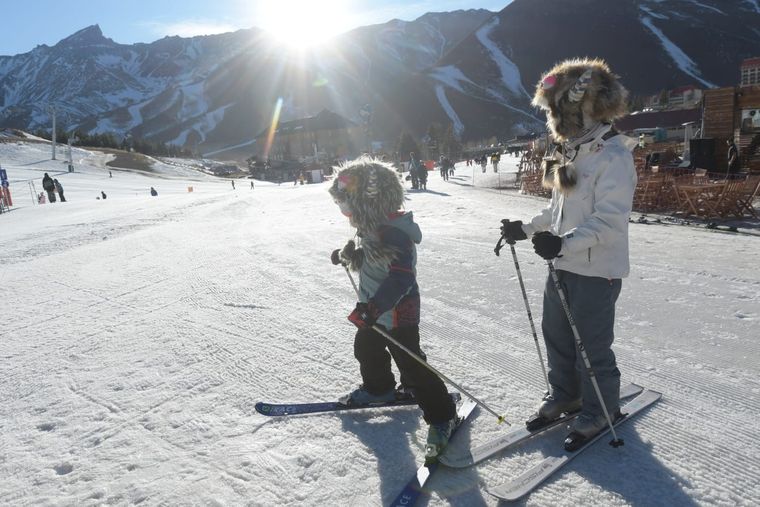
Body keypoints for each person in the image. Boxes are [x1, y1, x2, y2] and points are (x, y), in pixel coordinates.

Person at [498, 58, 637, 451]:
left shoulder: (614, 157)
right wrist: (526, 229)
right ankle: (567, 395)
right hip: (561, 264)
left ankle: (601, 409)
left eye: (567, 110)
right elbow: (558, 212)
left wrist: (564, 243)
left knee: (591, 346)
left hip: (597, 270)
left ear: (589, 108)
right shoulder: (570, 153)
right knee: (557, 334)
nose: (561, 119)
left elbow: (610, 222)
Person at [329, 157, 457, 460]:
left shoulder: (394, 232)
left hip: (397, 309)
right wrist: (348, 257)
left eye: (348, 207)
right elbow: (372, 261)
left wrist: (375, 307)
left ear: (367, 201)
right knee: (366, 349)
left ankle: (442, 415)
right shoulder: (374, 228)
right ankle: (379, 388)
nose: (346, 214)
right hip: (374, 309)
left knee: (411, 362)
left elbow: (400, 277)